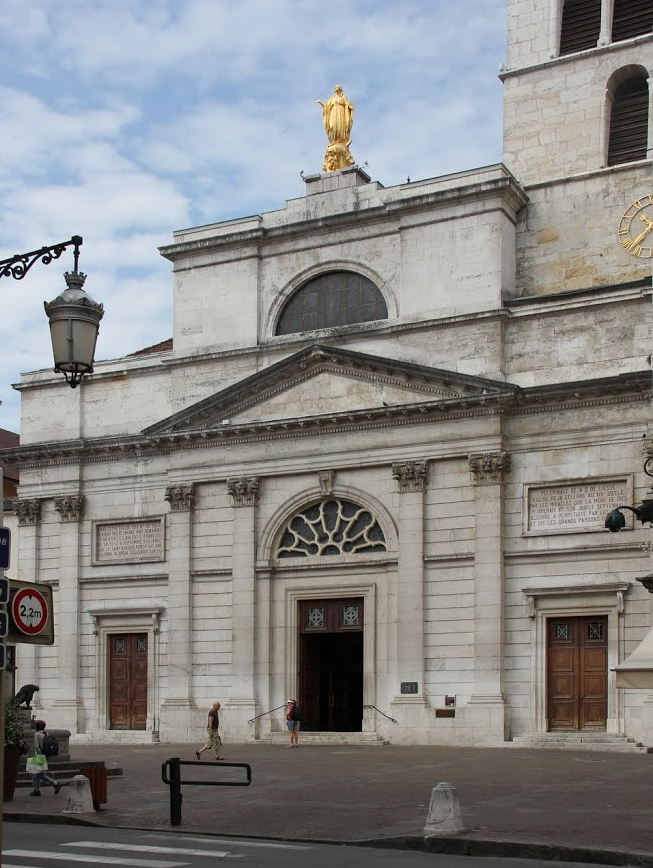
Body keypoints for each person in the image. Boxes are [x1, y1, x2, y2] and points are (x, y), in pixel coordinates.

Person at [30, 720, 61, 796]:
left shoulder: (37, 734)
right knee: (38, 774)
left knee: (37, 773)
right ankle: (37, 790)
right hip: (46, 755)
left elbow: (36, 746)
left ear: (36, 727)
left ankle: (55, 783)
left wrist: (36, 756)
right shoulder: (46, 733)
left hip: (40, 755)